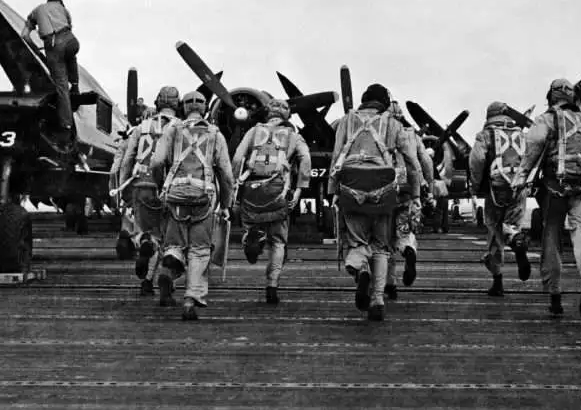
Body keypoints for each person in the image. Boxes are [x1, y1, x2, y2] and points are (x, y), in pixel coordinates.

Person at [513, 79, 581, 318]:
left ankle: (555, 295)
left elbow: (532, 150)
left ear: (551, 96)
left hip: (554, 187)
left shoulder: (547, 119)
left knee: (551, 236)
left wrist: (519, 180)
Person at [328, 83, 422, 321]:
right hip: (384, 194)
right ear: (384, 102)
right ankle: (378, 300)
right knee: (381, 246)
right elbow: (412, 161)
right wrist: (417, 194)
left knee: (356, 242)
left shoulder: (345, 122)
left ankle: (361, 271)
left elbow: (336, 155)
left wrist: (333, 192)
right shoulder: (393, 124)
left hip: (351, 192)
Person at [150, 89, 234, 321]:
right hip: (203, 199)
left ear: (183, 108)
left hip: (175, 196)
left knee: (174, 244)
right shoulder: (215, 134)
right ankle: (190, 299)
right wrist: (226, 203)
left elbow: (157, 162)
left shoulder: (172, 129)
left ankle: (169, 265)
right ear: (205, 107)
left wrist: (161, 187)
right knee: (199, 250)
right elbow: (226, 174)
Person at [232, 98, 311, 305]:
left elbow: (238, 158)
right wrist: (300, 189)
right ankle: (272, 286)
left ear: (268, 113)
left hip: (253, 190)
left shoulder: (253, 131)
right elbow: (306, 159)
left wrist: (234, 185)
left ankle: (252, 235)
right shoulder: (294, 135)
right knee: (278, 241)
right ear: (287, 115)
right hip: (278, 192)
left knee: (251, 223)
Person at [114, 86, 182, 294]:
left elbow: (126, 161)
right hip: (170, 189)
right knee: (167, 238)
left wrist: (122, 189)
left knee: (147, 231)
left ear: (158, 102)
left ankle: (144, 254)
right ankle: (152, 279)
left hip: (141, 184)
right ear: (177, 105)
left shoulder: (140, 128)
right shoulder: (181, 128)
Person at [469, 101, 532, 297]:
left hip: (496, 188)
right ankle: (516, 238)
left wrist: (476, 184)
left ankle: (498, 280)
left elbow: (477, 159)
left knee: (495, 230)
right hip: (520, 185)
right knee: (512, 224)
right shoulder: (522, 134)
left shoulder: (485, 135)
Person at [384, 101, 433, 300]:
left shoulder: (380, 131)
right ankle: (409, 250)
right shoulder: (411, 134)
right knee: (404, 232)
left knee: (384, 242)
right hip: (407, 193)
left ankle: (390, 285)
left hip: (385, 194)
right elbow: (426, 162)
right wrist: (428, 189)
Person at [21, 0, 80, 144]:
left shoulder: (37, 10)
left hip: (54, 44)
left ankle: (66, 127)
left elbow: (24, 35)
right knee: (71, 56)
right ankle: (75, 87)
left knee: (61, 86)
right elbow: (69, 33)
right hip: (72, 41)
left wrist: (37, 51)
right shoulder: (64, 10)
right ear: (59, 2)